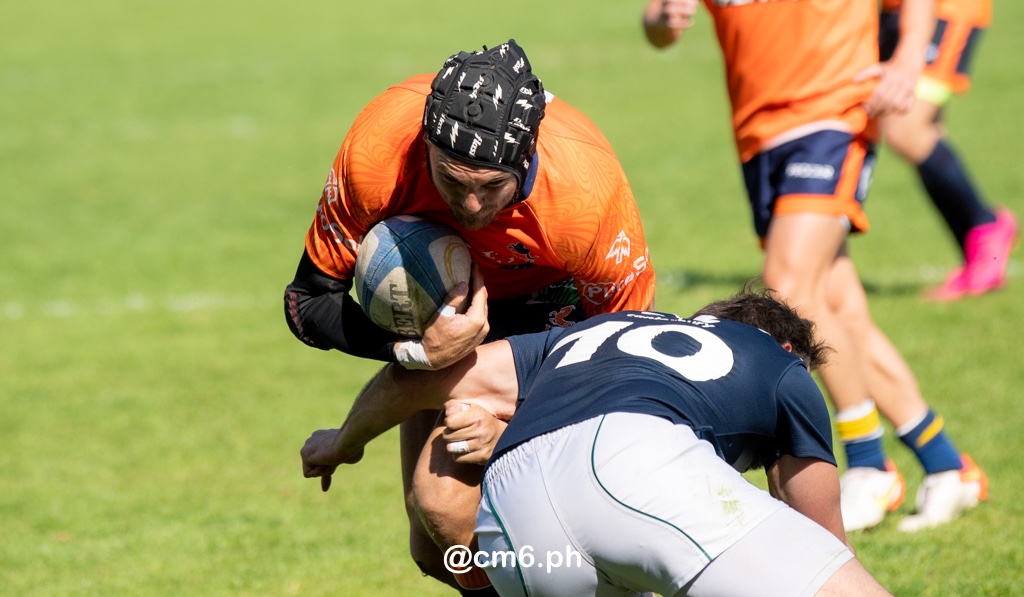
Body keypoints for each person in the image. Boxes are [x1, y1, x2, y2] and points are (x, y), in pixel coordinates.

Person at [283, 39, 655, 593]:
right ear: (426, 145)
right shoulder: (381, 150)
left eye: (490, 188)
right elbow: (306, 301)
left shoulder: (583, 196)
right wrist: (417, 352)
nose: (472, 208)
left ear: (526, 158)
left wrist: (514, 423)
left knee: (449, 507)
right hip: (444, 324)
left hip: (557, 321)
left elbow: (624, 358)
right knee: (434, 550)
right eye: (451, 181)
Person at [642, 0, 987, 533]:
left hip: (835, 112)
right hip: (759, 133)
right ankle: (946, 465)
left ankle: (870, 464)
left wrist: (908, 60)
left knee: (789, 284)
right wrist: (665, 20)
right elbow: (657, 26)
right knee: (839, 306)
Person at [302, 288, 893, 596]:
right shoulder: (782, 368)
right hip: (637, 466)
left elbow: (424, 375)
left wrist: (344, 442)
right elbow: (819, 544)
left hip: (512, 527)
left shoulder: (599, 333)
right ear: (782, 347)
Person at [879, 0, 1017, 301]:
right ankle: (978, 258)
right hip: (894, 10)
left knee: (907, 130)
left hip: (942, 9)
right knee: (926, 133)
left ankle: (986, 224)